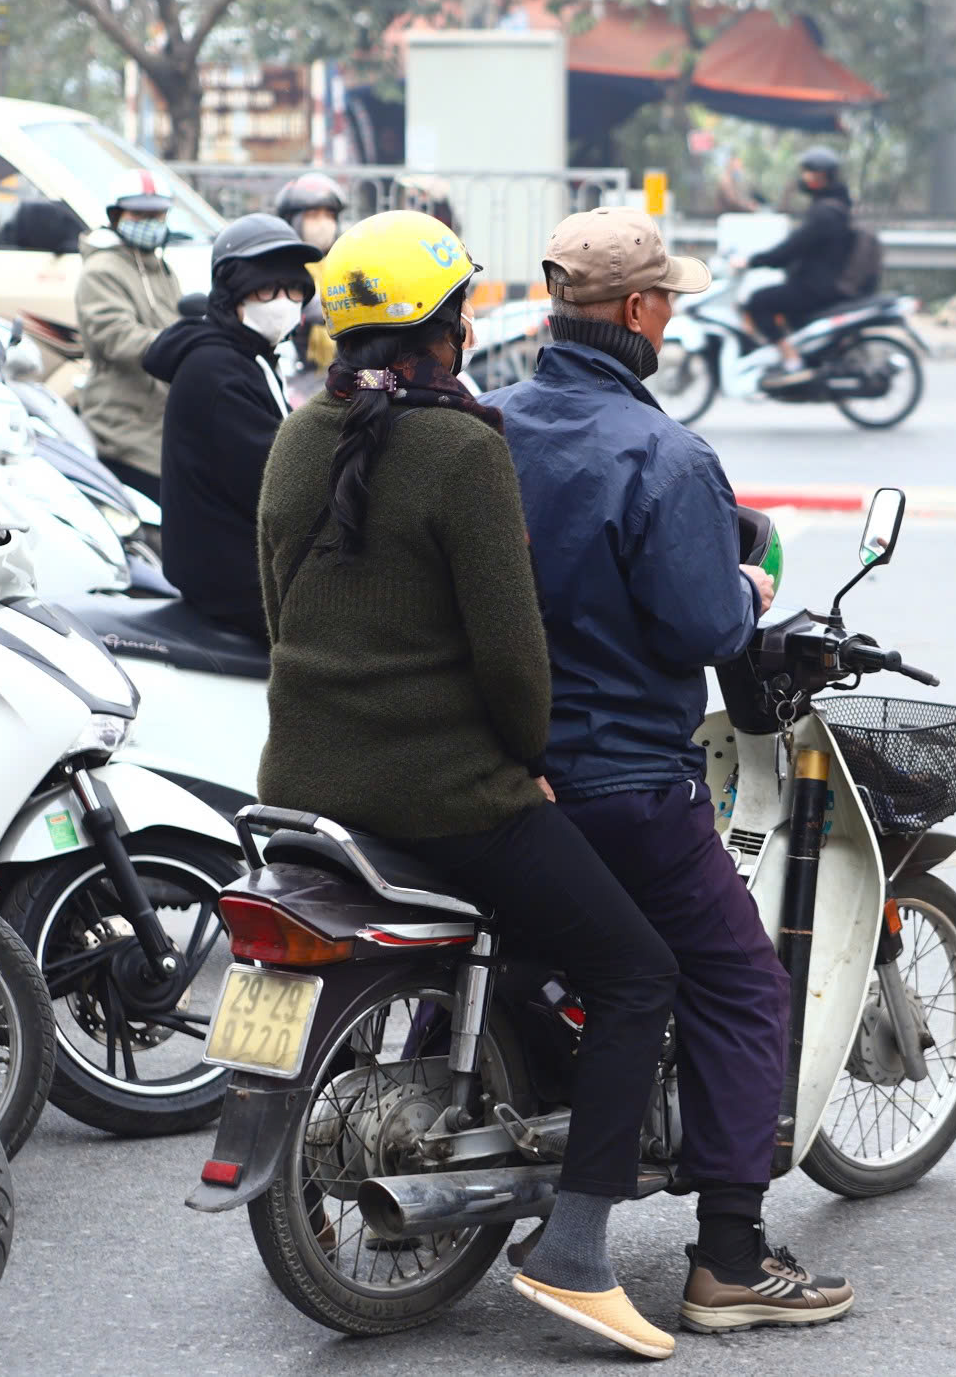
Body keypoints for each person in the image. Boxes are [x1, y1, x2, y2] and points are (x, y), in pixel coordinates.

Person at [255, 211, 682, 1360]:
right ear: (449, 325)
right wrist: (525, 767)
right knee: (639, 970)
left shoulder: (302, 434)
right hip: (442, 796)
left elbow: (274, 609)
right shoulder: (462, 448)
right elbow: (512, 656)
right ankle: (578, 1252)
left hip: (300, 788)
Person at [488, 209, 855, 1333]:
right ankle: (731, 1259)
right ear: (643, 314)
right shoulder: (667, 453)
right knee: (741, 982)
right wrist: (745, 590)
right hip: (626, 781)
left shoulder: (485, 427)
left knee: (554, 954)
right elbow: (703, 624)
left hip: (498, 777)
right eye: (668, 306)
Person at [144, 213, 317, 641]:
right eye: (265, 289)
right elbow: (285, 484)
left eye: (293, 288)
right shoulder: (220, 372)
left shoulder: (244, 357)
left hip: (239, 564)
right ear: (231, 295)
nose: (282, 301)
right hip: (238, 581)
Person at [76, 168, 185, 502]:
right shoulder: (102, 271)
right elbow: (117, 337)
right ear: (116, 215)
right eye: (140, 214)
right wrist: (184, 345)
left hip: (162, 420)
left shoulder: (161, 267)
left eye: (158, 214)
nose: (151, 222)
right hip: (125, 426)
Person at [744, 146, 857, 374]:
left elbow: (792, 248)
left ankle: (791, 358)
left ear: (821, 176)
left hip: (814, 287)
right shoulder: (835, 207)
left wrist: (753, 261)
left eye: (809, 172)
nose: (804, 178)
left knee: (757, 301)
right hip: (822, 283)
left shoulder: (824, 213)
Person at [273, 171, 347, 253]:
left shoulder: (343, 263)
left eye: (329, 216)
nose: (323, 224)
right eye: (313, 215)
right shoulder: (278, 263)